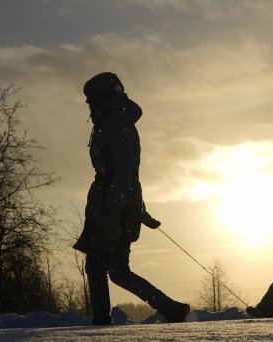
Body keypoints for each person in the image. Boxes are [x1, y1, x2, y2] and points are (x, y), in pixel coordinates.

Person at [73, 72, 190, 325]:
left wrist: (115, 211)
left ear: (104, 96)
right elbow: (128, 174)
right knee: (107, 269)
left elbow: (126, 171)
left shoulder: (117, 122)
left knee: (111, 270)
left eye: (90, 97)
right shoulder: (109, 121)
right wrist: (139, 209)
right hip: (111, 201)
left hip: (113, 204)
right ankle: (168, 309)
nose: (87, 103)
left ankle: (167, 309)